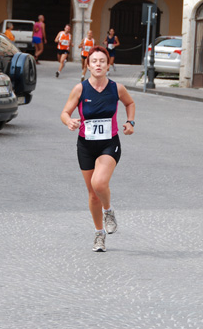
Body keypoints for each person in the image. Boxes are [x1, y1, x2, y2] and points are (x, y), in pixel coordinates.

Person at [60, 46, 136, 252]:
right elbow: (65, 112)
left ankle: (108, 210)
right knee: (93, 194)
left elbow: (130, 103)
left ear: (108, 64)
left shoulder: (117, 88)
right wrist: (69, 121)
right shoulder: (80, 89)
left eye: (102, 61)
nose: (98, 64)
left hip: (109, 143)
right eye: (94, 61)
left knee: (99, 183)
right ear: (88, 65)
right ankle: (99, 234)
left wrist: (130, 123)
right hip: (85, 144)